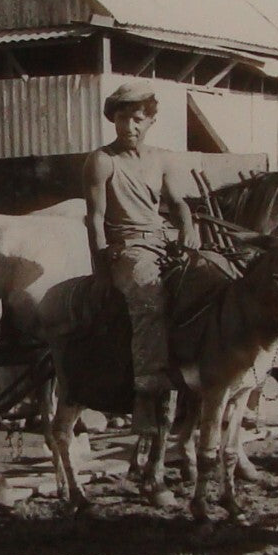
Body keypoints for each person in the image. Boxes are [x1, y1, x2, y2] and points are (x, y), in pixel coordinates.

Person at [82, 80, 198, 450]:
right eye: (121, 119)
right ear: (113, 121)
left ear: (149, 121)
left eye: (136, 119)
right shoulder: (102, 161)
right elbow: (96, 218)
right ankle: (147, 398)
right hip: (127, 250)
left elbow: (178, 202)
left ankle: (199, 380)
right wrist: (101, 270)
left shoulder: (161, 158)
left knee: (207, 283)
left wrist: (189, 227)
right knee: (150, 299)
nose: (128, 127)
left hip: (162, 242)